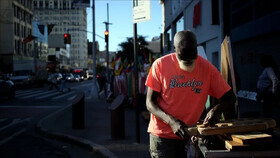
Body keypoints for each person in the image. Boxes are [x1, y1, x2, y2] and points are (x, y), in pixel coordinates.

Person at [145, 30, 236, 158]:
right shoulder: (160, 65)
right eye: (183, 55)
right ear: (174, 49)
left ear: (197, 48)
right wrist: (172, 122)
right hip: (163, 138)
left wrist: (217, 109)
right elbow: (149, 103)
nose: (188, 59)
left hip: (192, 135)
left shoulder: (207, 68)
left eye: (192, 54)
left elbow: (229, 97)